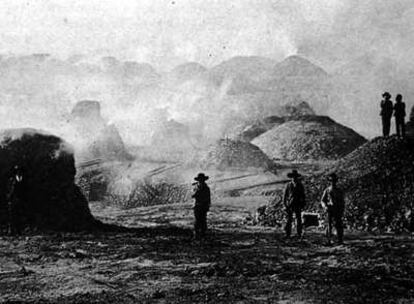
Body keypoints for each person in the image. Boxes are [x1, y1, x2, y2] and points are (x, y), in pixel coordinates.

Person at [320, 173, 345, 245]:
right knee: (329, 225)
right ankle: (328, 240)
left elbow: (342, 201)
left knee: (338, 224)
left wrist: (342, 209)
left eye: (334, 181)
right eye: (331, 181)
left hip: (337, 209)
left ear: (336, 181)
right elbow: (322, 200)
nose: (333, 182)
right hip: (330, 209)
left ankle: (340, 240)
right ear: (329, 182)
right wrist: (325, 206)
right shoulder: (327, 190)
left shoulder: (339, 191)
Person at [283, 170, 305, 238]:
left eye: (295, 177)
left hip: (298, 204)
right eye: (293, 177)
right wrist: (285, 205)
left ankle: (299, 233)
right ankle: (288, 234)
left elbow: (303, 195)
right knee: (289, 219)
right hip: (290, 204)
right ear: (291, 177)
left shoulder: (300, 185)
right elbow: (285, 196)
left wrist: (303, 204)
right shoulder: (288, 185)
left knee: (298, 219)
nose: (294, 178)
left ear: (297, 177)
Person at [6, 165, 25, 235]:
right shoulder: (12, 180)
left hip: (20, 200)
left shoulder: (24, 180)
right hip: (13, 199)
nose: (18, 172)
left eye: (20, 171)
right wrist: (9, 197)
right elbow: (9, 190)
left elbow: (25, 191)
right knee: (11, 215)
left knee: (19, 215)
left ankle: (18, 230)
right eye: (17, 171)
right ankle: (11, 230)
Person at [192, 173, 211, 240]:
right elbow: (192, 195)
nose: (201, 181)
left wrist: (207, 206)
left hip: (202, 206)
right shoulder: (196, 187)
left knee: (202, 220)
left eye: (202, 180)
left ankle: (202, 234)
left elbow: (208, 198)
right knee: (197, 221)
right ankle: (197, 234)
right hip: (197, 205)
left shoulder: (206, 188)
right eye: (200, 180)